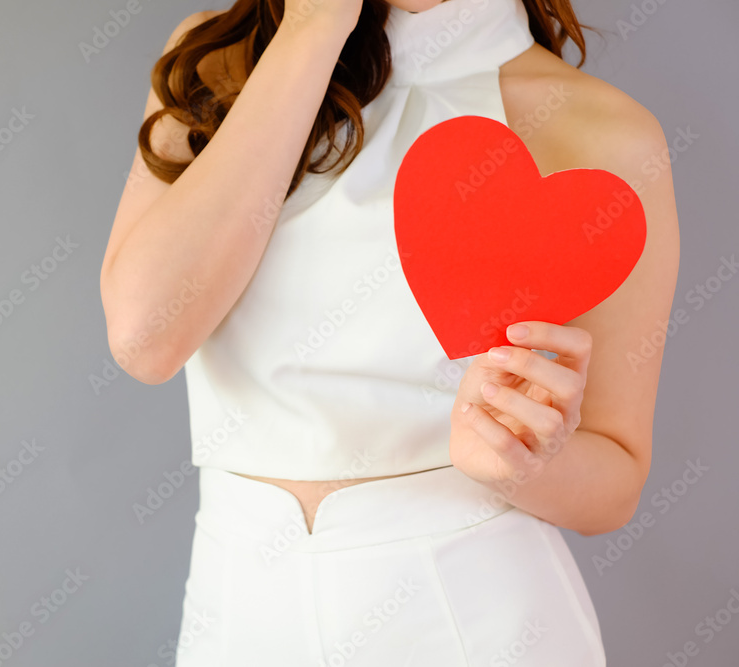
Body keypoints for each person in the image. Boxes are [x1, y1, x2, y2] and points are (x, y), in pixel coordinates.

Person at [100, 0, 680, 664]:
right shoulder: (217, 63)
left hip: (471, 619)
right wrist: (314, 26)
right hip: (236, 612)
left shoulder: (601, 129)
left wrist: (526, 461)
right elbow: (146, 337)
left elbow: (616, 480)